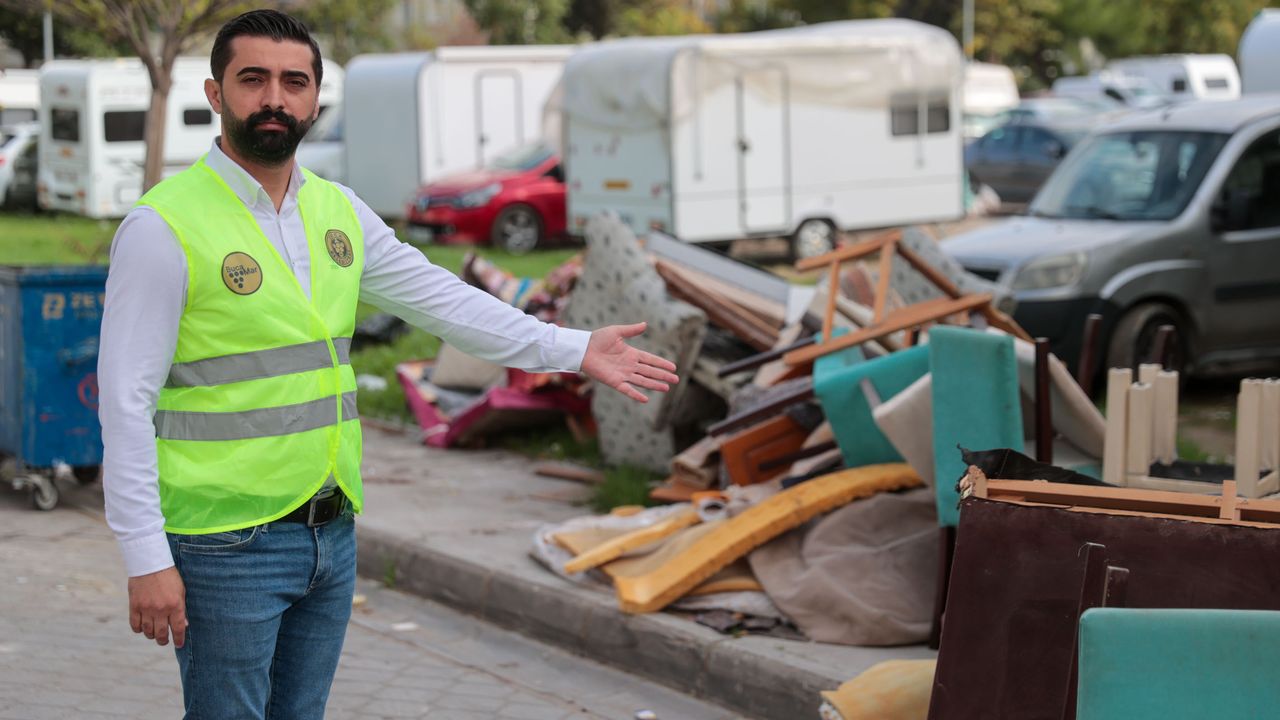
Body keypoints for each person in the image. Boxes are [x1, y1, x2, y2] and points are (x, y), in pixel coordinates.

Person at [97, 9, 678, 719]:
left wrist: (574, 348)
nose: (274, 98)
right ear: (217, 93)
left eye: (294, 82)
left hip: (330, 534)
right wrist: (145, 556)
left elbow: (446, 303)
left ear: (316, 99)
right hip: (225, 544)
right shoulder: (163, 227)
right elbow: (124, 402)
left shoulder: (337, 212)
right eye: (253, 79)